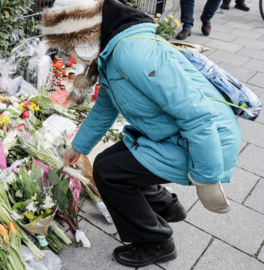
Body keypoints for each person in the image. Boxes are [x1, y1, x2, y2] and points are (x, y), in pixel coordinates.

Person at [45, 0, 241, 268]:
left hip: (207, 143)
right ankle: (167, 206)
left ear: (85, 32)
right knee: (107, 162)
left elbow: (196, 114)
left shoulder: (132, 53)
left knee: (109, 173)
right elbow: (104, 110)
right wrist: (78, 147)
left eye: (69, 44)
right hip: (176, 136)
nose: (69, 54)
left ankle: (156, 242)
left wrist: (207, 178)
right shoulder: (113, 53)